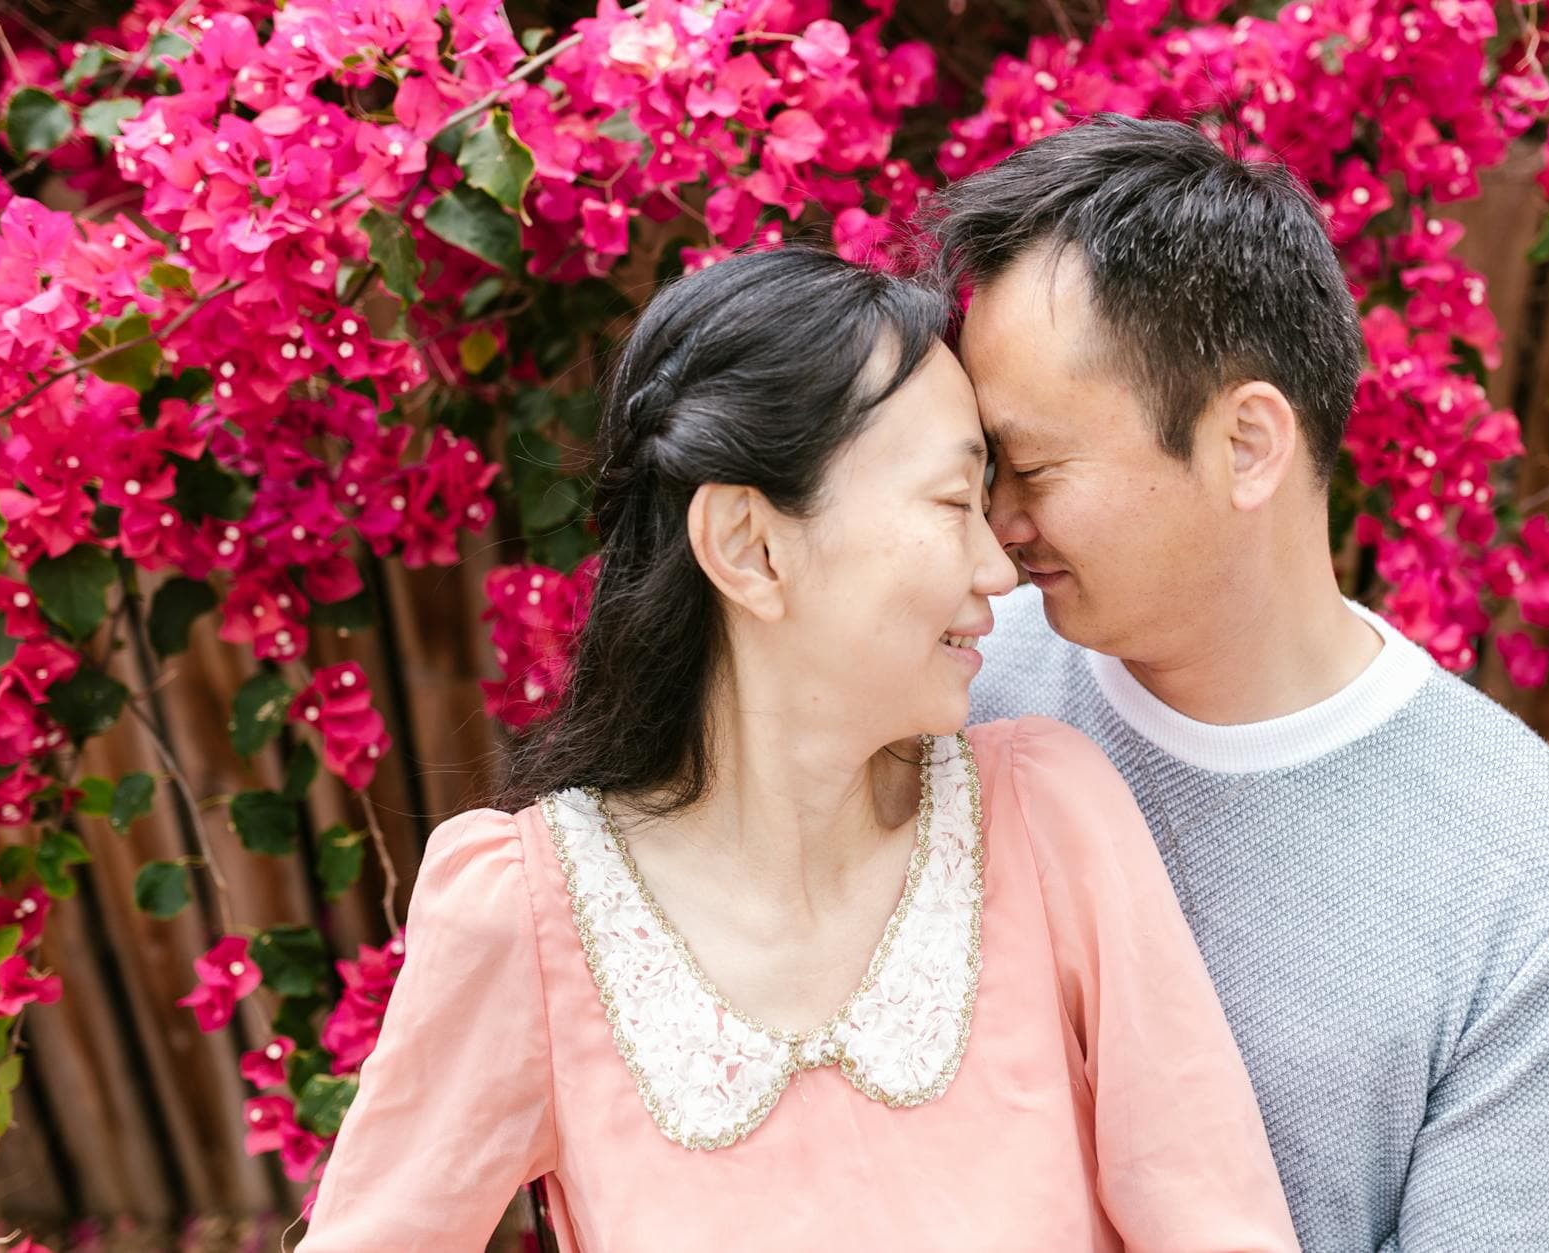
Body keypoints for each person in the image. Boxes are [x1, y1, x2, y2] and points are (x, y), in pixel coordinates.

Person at [294, 245, 1300, 1252]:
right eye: (952, 502)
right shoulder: (523, 912)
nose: (997, 562)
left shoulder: (1048, 814)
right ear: (750, 544)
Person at [934, 114, 1549, 1251]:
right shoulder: (958, 687)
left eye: (1028, 465)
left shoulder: (1541, 885)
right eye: (982, 469)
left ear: (1244, 444)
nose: (997, 522)